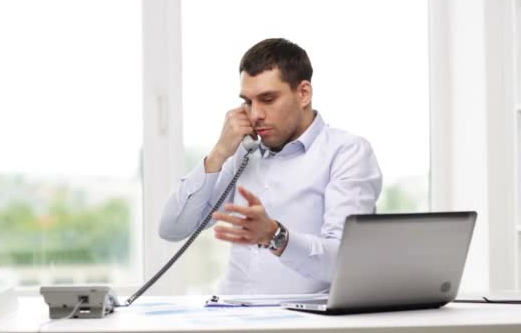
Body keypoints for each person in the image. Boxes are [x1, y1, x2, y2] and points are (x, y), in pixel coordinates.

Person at [159, 38, 382, 295]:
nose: (255, 115)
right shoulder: (244, 153)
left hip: (300, 321)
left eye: (267, 99)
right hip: (229, 315)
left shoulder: (346, 153)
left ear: (303, 94)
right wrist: (220, 152)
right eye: (248, 102)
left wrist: (276, 236)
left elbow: (345, 262)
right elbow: (173, 228)